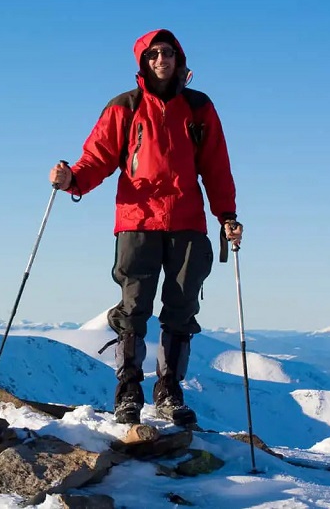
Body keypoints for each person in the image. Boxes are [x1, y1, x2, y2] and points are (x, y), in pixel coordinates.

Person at [50, 29, 243, 427]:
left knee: (181, 307)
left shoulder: (198, 107)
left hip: (187, 221)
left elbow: (216, 166)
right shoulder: (126, 106)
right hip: (137, 219)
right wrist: (74, 179)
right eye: (153, 54)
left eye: (167, 53)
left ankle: (169, 393)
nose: (161, 60)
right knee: (134, 308)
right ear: (143, 61)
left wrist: (226, 216)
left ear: (178, 58)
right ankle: (129, 394)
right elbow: (98, 156)